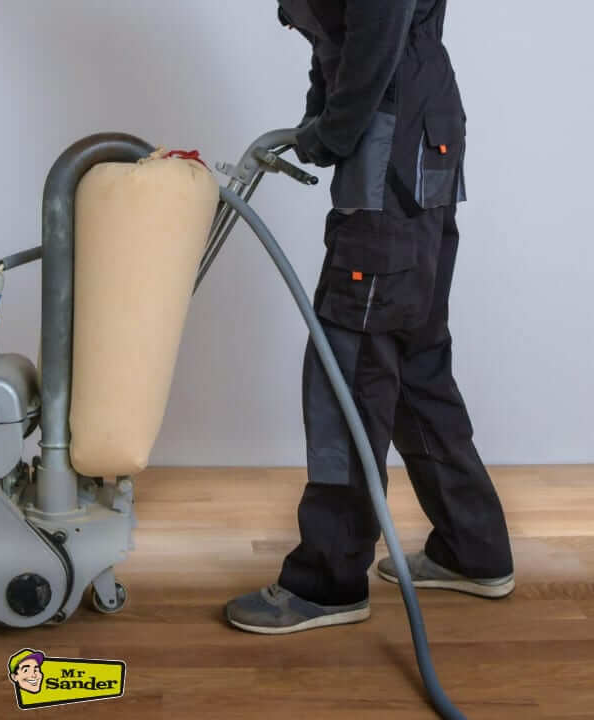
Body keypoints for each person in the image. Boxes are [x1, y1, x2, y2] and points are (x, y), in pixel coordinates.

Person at [224, 0, 515, 635]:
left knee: (347, 367)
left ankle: (328, 582)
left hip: (392, 141)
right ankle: (473, 550)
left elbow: (377, 30)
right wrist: (319, 115)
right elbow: (346, 36)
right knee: (412, 356)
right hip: (412, 136)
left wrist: (334, 129)